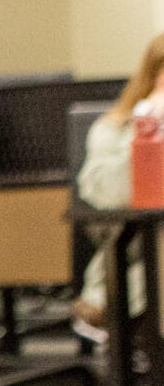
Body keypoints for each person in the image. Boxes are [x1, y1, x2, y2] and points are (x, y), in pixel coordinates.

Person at [76, 32, 164, 336]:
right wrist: (149, 133)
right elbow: (111, 195)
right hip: (142, 261)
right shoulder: (113, 130)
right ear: (154, 77)